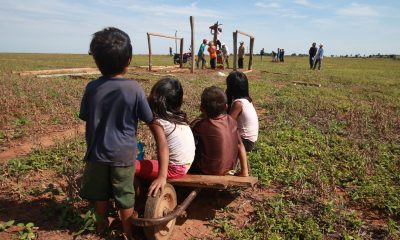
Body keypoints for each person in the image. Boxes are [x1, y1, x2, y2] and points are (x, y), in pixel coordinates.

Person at [79, 27, 164, 240]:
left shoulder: (92, 88)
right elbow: (149, 118)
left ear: (97, 62)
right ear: (128, 61)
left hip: (96, 153)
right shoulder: (134, 88)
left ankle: (101, 229)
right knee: (125, 196)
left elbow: (85, 116)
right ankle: (128, 233)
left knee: (100, 195)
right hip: (124, 156)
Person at [135, 78, 195, 180]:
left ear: (155, 100)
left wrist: (161, 177)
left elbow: (162, 146)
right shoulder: (178, 118)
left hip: (172, 169)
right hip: (186, 165)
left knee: (128, 167)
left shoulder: (157, 122)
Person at [190, 86, 249, 176]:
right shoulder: (232, 121)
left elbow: (188, 136)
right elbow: (240, 145)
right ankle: (244, 171)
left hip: (207, 170)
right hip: (229, 168)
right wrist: (244, 171)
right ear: (226, 107)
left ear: (201, 108)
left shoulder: (201, 125)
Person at [225, 71, 259, 152]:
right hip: (250, 140)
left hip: (245, 142)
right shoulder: (246, 100)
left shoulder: (238, 104)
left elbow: (227, 125)